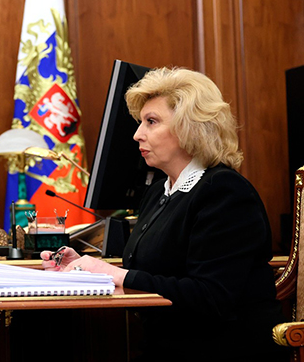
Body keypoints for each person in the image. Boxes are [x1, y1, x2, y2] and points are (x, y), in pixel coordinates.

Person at [41, 67, 284, 361]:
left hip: (222, 351)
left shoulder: (224, 191)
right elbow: (150, 273)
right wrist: (83, 268)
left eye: (151, 122)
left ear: (190, 127)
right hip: (166, 347)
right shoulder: (159, 191)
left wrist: (113, 273)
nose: (137, 135)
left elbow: (211, 297)